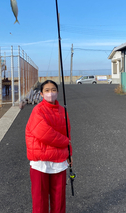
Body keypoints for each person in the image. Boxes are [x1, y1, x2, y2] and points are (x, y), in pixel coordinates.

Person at [25, 80, 73, 213]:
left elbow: (67, 134)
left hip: (59, 160)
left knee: (59, 199)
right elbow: (44, 133)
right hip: (40, 162)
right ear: (41, 94)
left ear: (57, 92)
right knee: (40, 201)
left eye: (53, 90)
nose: (50, 93)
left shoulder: (63, 111)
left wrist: (70, 154)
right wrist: (65, 143)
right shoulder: (37, 110)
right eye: (47, 90)